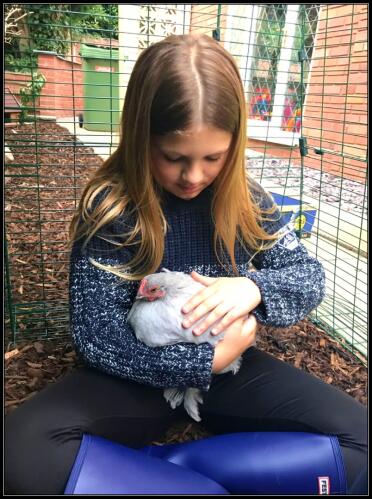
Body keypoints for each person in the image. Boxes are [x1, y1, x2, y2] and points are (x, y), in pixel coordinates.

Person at [5, 33, 367, 495]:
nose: (193, 176)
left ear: (234, 145)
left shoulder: (248, 201)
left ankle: (171, 469)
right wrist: (206, 360)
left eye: (213, 158)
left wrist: (253, 288)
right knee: (21, 450)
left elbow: (308, 278)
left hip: (231, 371)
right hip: (134, 375)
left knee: (362, 439)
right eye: (173, 157)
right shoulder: (113, 208)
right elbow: (98, 339)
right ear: (141, 138)